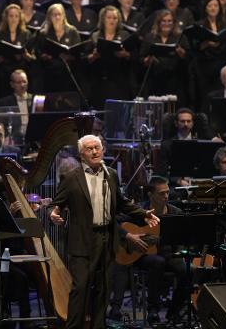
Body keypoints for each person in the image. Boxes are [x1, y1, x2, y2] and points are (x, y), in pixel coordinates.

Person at [49, 134, 159, 329]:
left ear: (103, 150)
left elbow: (123, 203)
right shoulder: (71, 178)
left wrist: (144, 215)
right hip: (82, 240)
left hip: (107, 238)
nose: (94, 151)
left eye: (97, 148)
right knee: (80, 288)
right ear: (82, 154)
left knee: (103, 289)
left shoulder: (111, 175)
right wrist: (53, 214)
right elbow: (56, 205)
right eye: (89, 149)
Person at [110, 176, 188, 325]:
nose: (166, 196)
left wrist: (180, 249)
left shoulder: (175, 212)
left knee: (186, 270)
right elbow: (117, 222)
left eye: (167, 192)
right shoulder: (139, 210)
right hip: (143, 255)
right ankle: (153, 310)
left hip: (169, 254)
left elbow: (182, 239)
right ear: (150, 195)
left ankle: (174, 310)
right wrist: (130, 236)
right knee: (157, 262)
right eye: (161, 193)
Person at [188, 0, 226, 111]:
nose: (213, 8)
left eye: (215, 5)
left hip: (221, 66)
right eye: (210, 5)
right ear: (205, 8)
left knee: (219, 99)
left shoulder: (225, 25)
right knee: (205, 99)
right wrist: (208, 43)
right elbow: (195, 48)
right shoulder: (199, 25)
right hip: (204, 67)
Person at [88, 6, 136, 108]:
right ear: (103, 19)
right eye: (109, 17)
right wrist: (94, 56)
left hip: (119, 81)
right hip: (100, 80)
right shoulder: (95, 36)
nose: (112, 20)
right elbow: (87, 58)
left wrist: (125, 54)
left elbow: (133, 56)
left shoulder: (124, 35)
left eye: (115, 18)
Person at [139, 9, 189, 104]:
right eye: (164, 21)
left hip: (175, 80)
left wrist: (181, 53)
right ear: (159, 23)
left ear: (174, 22)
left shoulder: (180, 37)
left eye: (169, 21)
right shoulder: (150, 37)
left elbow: (189, 58)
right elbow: (141, 58)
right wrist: (147, 60)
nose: (167, 23)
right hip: (154, 80)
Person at [0, 4, 36, 98]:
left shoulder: (26, 34)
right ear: (6, 17)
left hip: (22, 71)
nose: (13, 19)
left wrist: (26, 56)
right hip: (4, 74)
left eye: (16, 16)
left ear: (20, 18)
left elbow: (32, 56)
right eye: (11, 16)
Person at [35, 3, 82, 93]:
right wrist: (44, 56)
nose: (57, 17)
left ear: (63, 15)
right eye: (54, 15)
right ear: (49, 17)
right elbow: (38, 52)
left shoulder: (72, 31)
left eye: (59, 14)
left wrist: (68, 57)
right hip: (49, 74)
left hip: (68, 74)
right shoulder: (43, 33)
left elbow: (78, 52)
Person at [0, 69, 34, 142]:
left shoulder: (35, 100)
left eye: (24, 82)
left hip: (32, 138)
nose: (22, 85)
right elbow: (1, 125)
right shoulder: (4, 103)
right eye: (19, 82)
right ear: (12, 85)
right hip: (13, 139)